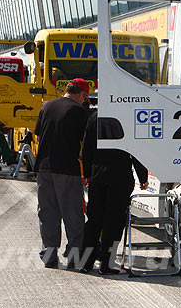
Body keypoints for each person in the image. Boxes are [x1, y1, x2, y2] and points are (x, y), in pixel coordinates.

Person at [80, 110, 149, 275]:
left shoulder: (94, 117)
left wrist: (87, 173)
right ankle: (106, 264)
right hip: (120, 175)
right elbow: (135, 148)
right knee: (114, 221)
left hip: (98, 174)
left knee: (94, 220)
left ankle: (86, 263)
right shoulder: (126, 114)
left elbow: (87, 146)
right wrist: (143, 176)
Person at [34, 78, 89, 268]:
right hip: (68, 170)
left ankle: (49, 257)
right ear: (81, 94)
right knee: (73, 214)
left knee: (48, 214)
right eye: (85, 97)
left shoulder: (47, 106)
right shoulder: (80, 112)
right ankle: (74, 259)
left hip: (44, 169)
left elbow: (39, 136)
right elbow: (85, 144)